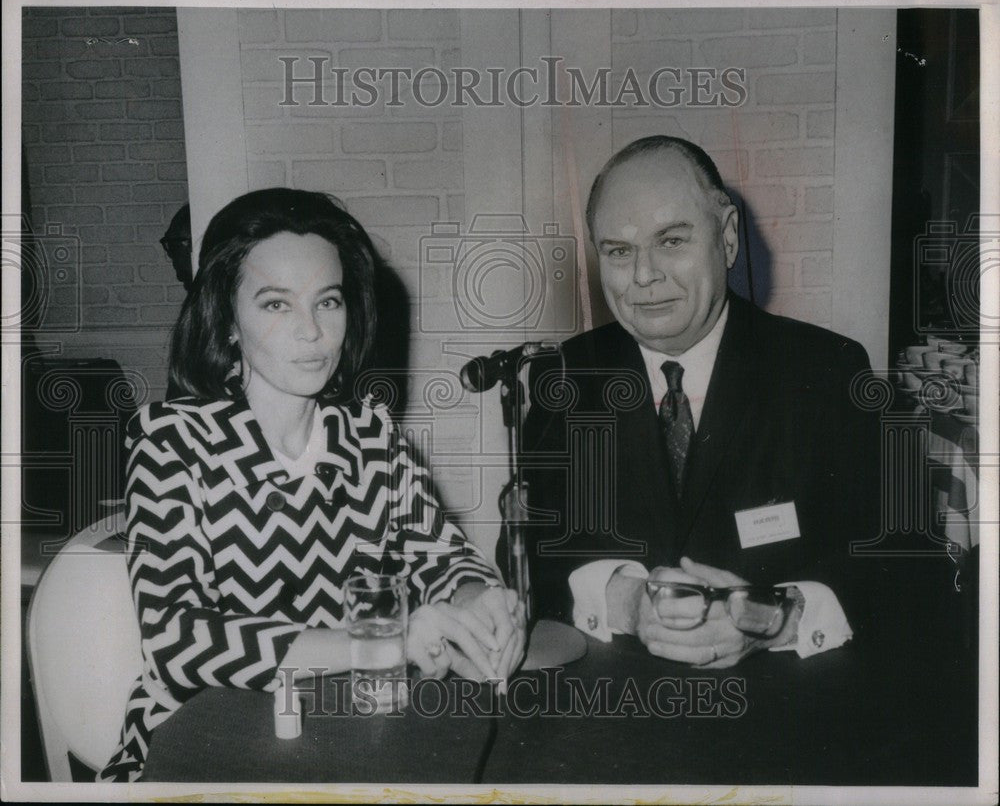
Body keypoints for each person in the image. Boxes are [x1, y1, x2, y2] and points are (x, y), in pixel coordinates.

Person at [99, 188, 524, 782]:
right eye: (276, 305)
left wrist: (479, 603)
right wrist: (378, 643)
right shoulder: (169, 442)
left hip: (347, 739)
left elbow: (442, 557)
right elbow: (177, 638)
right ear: (226, 320)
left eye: (328, 302)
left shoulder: (371, 437)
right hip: (198, 746)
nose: (312, 331)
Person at [518, 136, 881, 668]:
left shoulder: (829, 373)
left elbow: (897, 573)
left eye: (671, 241)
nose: (643, 275)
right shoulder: (562, 378)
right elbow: (527, 564)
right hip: (606, 720)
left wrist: (774, 620)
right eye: (619, 251)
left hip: (781, 721)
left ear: (728, 238)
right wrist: (623, 600)